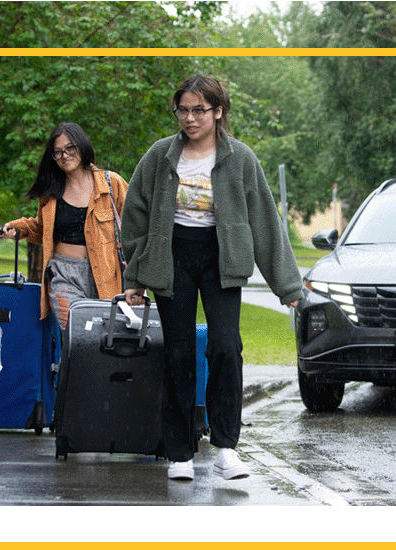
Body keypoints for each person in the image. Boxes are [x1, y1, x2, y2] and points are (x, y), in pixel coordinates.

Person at [121, 75, 303, 481]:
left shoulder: (240, 158)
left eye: (198, 110)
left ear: (218, 112)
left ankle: (225, 448)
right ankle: (180, 453)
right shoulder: (159, 156)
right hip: (173, 257)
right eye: (183, 110)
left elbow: (265, 223)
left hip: (221, 257)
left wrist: (287, 285)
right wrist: (135, 275)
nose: (190, 118)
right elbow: (134, 216)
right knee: (179, 353)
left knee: (224, 346)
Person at [0, 122, 128, 329]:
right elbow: (43, 230)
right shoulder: (51, 193)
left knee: (104, 339)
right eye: (57, 152)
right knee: (76, 335)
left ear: (82, 146)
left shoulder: (111, 184)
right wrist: (20, 228)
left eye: (70, 148)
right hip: (64, 275)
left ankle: (68, 364)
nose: (64, 156)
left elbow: (135, 225)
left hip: (106, 273)